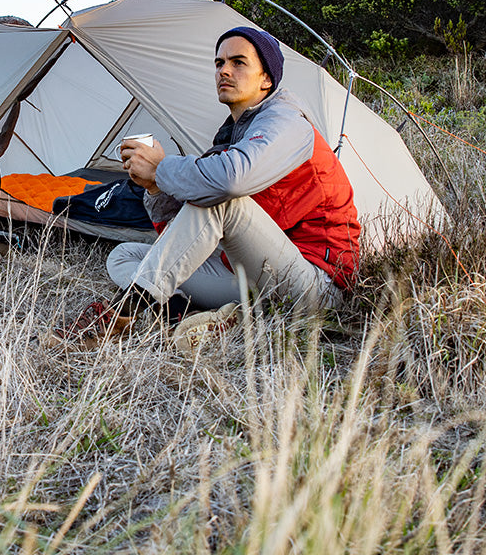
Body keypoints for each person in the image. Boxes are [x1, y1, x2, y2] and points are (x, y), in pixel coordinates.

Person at [51, 26, 361, 348]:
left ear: (266, 79)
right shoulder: (234, 134)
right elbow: (181, 230)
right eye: (219, 63)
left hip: (315, 286)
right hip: (255, 275)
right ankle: (183, 313)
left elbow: (230, 182)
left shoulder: (288, 123)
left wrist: (161, 167)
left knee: (223, 201)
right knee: (125, 255)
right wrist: (153, 187)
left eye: (238, 62)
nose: (224, 70)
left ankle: (121, 313)